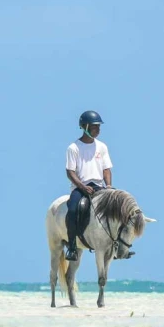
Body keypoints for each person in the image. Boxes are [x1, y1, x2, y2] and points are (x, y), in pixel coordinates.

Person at [64, 110, 132, 261]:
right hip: (80, 187)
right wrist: (81, 186)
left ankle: (116, 246)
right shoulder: (73, 148)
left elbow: (106, 169)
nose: (98, 130)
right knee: (73, 209)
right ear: (85, 126)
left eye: (98, 127)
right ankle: (72, 247)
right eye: (95, 127)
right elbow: (70, 172)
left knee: (117, 211)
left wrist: (108, 186)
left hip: (99, 186)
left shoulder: (102, 146)